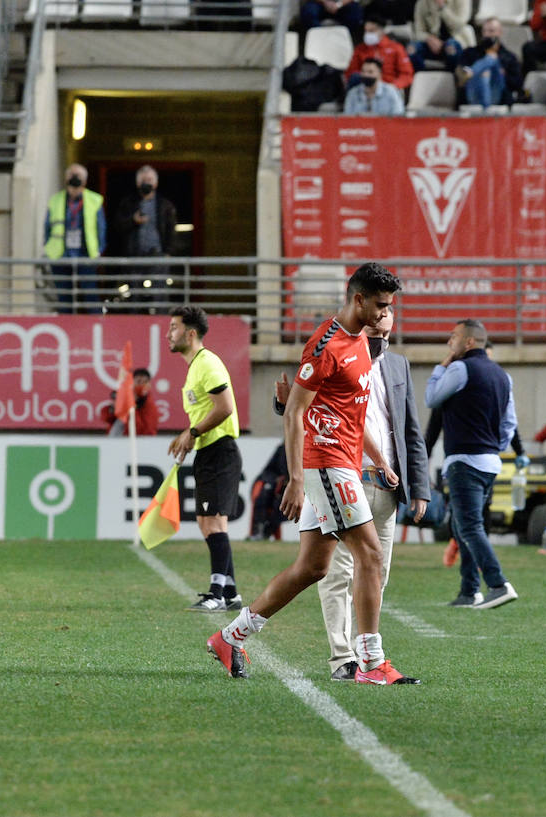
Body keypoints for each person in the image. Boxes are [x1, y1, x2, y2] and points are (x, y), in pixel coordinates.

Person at [206, 263, 420, 684]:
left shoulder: (361, 340)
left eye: (389, 307)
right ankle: (371, 663)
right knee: (370, 555)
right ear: (358, 299)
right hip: (327, 464)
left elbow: (346, 413)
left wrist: (377, 458)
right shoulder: (326, 345)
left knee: (312, 568)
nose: (385, 315)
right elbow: (296, 413)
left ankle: (231, 636)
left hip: (345, 460)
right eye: (380, 306)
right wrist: (296, 479)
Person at [312, 309, 430, 682]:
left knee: (377, 573)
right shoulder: (338, 355)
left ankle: (365, 660)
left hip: (388, 486)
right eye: (375, 319)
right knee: (339, 572)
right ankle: (343, 658)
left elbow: (411, 428)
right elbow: (309, 403)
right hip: (348, 474)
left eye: (387, 318)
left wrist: (420, 487)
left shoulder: (398, 366)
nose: (381, 325)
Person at [425, 319, 521, 610]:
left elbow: (432, 398)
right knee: (461, 524)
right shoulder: (503, 376)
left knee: (468, 527)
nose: (448, 342)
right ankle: (469, 591)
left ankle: (497, 583)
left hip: (464, 460)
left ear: (468, 342)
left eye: (453, 336)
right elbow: (510, 424)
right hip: (491, 462)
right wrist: (493, 447)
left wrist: (440, 368)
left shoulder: (459, 368)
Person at [165, 306, 244, 613]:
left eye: (174, 327)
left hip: (220, 451)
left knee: (213, 523)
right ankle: (231, 591)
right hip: (210, 451)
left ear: (191, 333)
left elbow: (224, 407)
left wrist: (193, 432)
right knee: (207, 522)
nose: (169, 334)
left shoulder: (207, 363)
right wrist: (190, 436)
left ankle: (217, 594)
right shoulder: (196, 366)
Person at [113, 165, 178, 312]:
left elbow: (172, 231)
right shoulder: (128, 203)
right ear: (137, 183)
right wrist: (133, 221)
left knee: (159, 295)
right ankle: (134, 327)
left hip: (158, 256)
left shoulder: (165, 205)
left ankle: (160, 326)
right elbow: (118, 226)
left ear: (155, 183)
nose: (146, 183)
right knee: (133, 296)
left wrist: (168, 253)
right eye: (143, 180)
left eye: (149, 180)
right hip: (134, 256)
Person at [43, 163, 105, 314]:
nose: (75, 179)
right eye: (71, 175)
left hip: (85, 254)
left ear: (85, 180)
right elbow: (47, 228)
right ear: (65, 178)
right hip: (60, 255)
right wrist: (48, 249)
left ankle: (95, 326)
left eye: (78, 176)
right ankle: (66, 329)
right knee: (64, 297)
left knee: (89, 294)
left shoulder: (94, 200)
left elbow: (101, 228)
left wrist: (98, 250)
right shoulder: (55, 200)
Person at [409, 0, 475, 71]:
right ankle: (420, 80)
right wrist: (429, 38)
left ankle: (455, 81)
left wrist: (443, 8)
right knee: (412, 49)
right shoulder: (422, 2)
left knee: (451, 47)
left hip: (456, 40)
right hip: (432, 42)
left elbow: (460, 24)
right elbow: (418, 31)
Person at [456, 18, 523, 108]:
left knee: (490, 62)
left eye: (491, 31)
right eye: (484, 31)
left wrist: (502, 74)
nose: (487, 34)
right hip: (474, 92)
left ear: (499, 32)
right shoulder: (470, 52)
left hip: (497, 94)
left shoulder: (509, 57)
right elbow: (461, 69)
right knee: (484, 72)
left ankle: (474, 71)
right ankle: (476, 72)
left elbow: (517, 83)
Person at [347, 19, 415, 91]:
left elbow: (406, 74)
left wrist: (394, 85)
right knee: (355, 77)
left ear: (382, 31)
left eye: (371, 31)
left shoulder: (396, 48)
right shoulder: (360, 49)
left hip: (389, 87)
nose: (367, 34)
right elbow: (351, 72)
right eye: (366, 31)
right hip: (365, 87)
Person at [99, 367, 159, 436]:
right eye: (139, 381)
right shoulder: (124, 398)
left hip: (139, 442)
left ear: (149, 384)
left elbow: (146, 430)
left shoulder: (149, 405)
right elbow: (107, 418)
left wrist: (131, 406)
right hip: (118, 440)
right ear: (132, 383)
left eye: (145, 382)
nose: (142, 385)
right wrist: (114, 407)